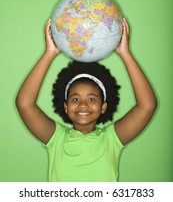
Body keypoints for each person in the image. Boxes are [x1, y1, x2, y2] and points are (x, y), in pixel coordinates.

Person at [15, 18, 157, 182]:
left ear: (103, 107)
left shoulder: (111, 139)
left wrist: (125, 53)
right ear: (66, 106)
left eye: (92, 99)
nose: (83, 105)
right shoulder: (57, 138)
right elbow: (24, 104)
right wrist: (49, 53)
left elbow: (147, 106)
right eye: (75, 99)